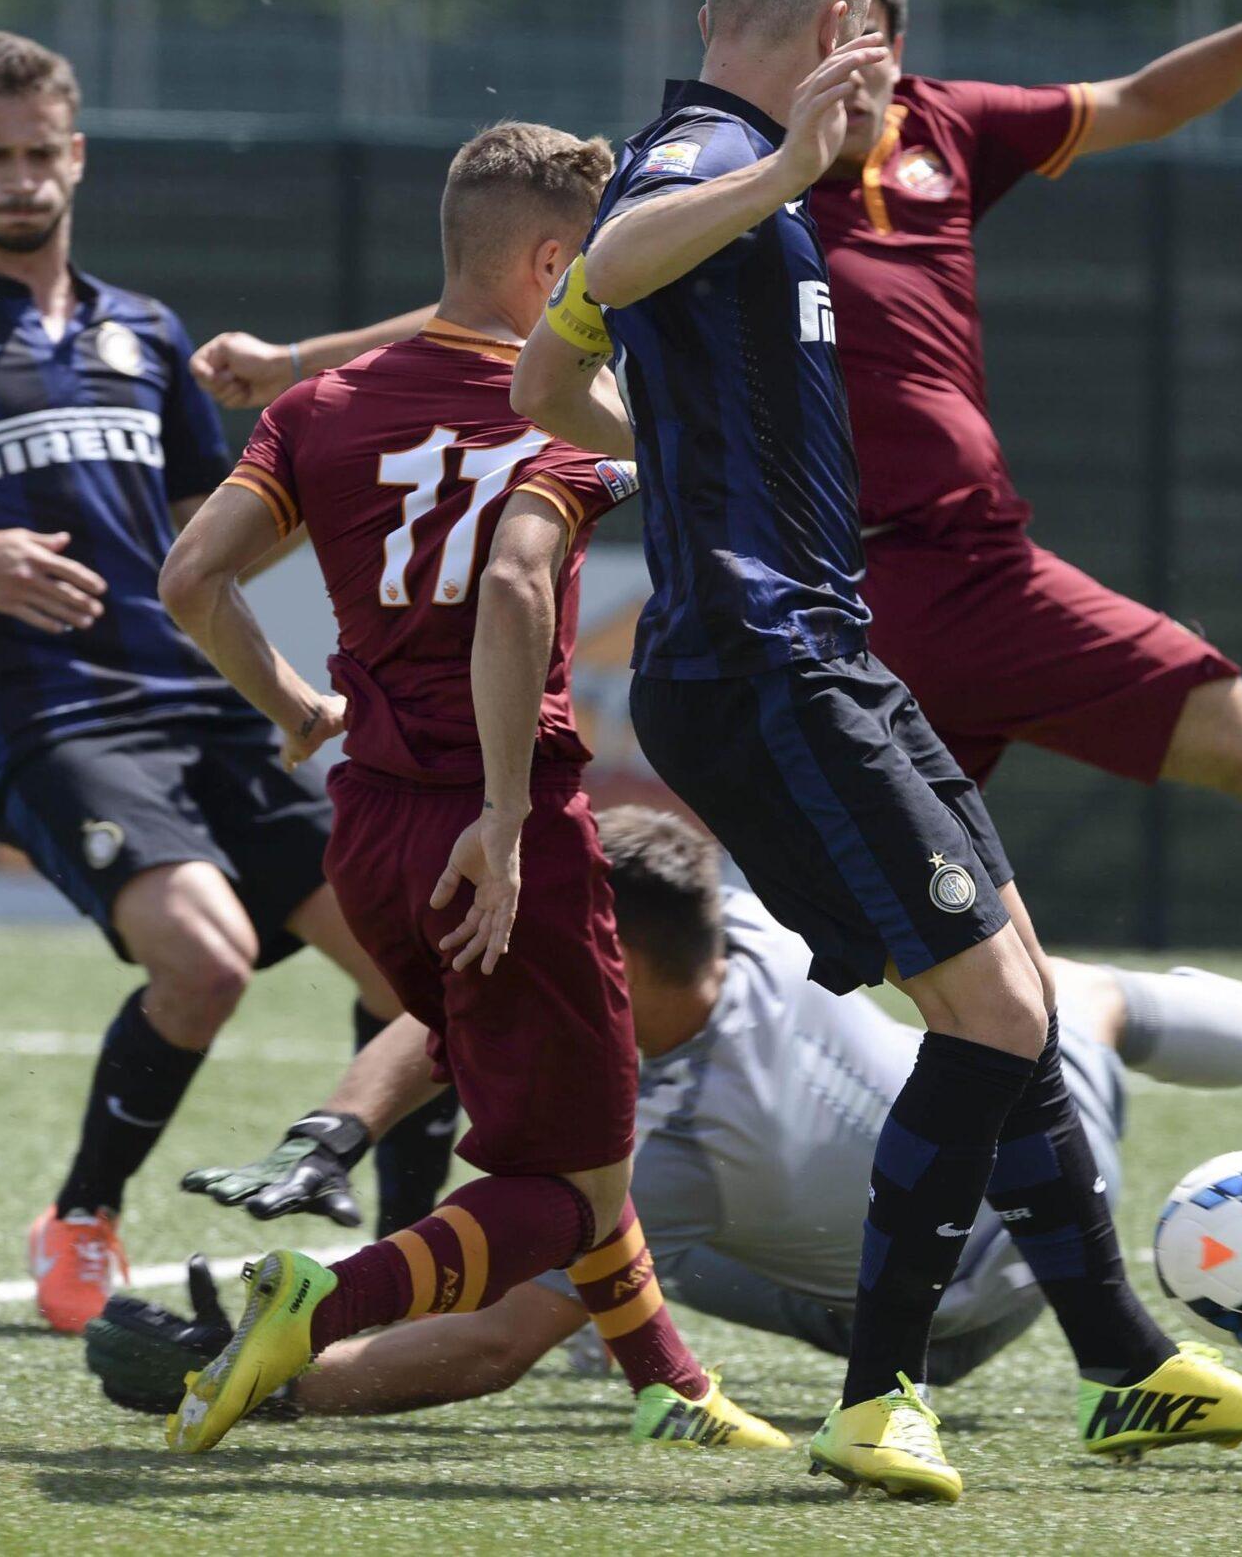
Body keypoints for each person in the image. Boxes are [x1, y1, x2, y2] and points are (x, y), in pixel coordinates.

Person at [188, 0, 1242, 1036]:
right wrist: (302, 358)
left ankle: (574, 1160)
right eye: (836, 43)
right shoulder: (735, 163)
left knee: (941, 963)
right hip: (905, 586)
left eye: (873, 40)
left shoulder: (947, 127)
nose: (858, 68)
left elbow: (1141, 101)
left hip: (891, 599)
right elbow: (532, 288)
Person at [506, 0, 1242, 1502]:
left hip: (827, 646)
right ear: (839, 36)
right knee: (1000, 1014)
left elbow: (545, 371)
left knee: (1010, 970)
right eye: (877, 43)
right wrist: (796, 166)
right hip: (765, 663)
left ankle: (1124, 1365)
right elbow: (615, 243)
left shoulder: (764, 180)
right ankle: (879, 1392)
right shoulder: (716, 160)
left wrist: (670, 440)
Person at [148, 121, 782, 1456]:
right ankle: (326, 1299)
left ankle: (672, 1381)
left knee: (578, 1152)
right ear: (557, 262)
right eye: (598, 262)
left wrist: (296, 706)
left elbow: (191, 579)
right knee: (567, 1179)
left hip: (369, 828)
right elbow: (511, 577)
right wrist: (503, 811)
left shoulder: (315, 413)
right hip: (506, 836)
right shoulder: (568, 414)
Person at [90, 803, 1242, 1419]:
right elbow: (457, 1025)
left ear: (620, 959)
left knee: (577, 1246)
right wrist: (341, 1122)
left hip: (957, 1292)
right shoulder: (737, 915)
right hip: (916, 1208)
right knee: (1069, 997)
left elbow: (483, 1344)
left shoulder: (685, 1146)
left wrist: (277, 1376)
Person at [0, 31, 398, 1334]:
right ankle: (81, 1214)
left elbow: (211, 549)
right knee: (205, 959)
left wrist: (291, 689)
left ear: (77, 156)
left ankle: (412, 1268)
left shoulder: (150, 332)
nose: (18, 179)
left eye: (38, 153)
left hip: (206, 709)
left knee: (415, 968)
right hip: (58, 718)